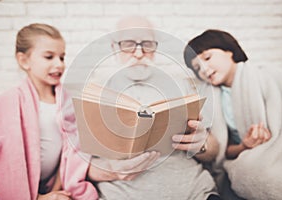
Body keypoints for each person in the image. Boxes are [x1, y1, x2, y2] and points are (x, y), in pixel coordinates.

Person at [86, 16, 221, 200]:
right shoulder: (95, 92)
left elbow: (213, 150)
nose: (139, 53)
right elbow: (77, 166)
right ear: (114, 47)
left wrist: (202, 144)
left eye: (147, 44)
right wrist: (111, 171)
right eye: (128, 44)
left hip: (194, 192)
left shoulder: (181, 84)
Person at [0, 23, 98, 199]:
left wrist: (56, 191)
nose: (59, 64)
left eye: (62, 57)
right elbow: (3, 160)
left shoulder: (67, 101)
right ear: (24, 61)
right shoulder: (7, 103)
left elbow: (70, 152)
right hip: (21, 188)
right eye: (49, 57)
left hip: (54, 183)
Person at [184, 29, 282, 200]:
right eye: (197, 68)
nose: (204, 69)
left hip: (281, 149)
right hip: (247, 157)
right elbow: (224, 151)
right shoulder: (211, 99)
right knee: (261, 175)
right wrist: (245, 146)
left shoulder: (267, 76)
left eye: (207, 58)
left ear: (230, 51)